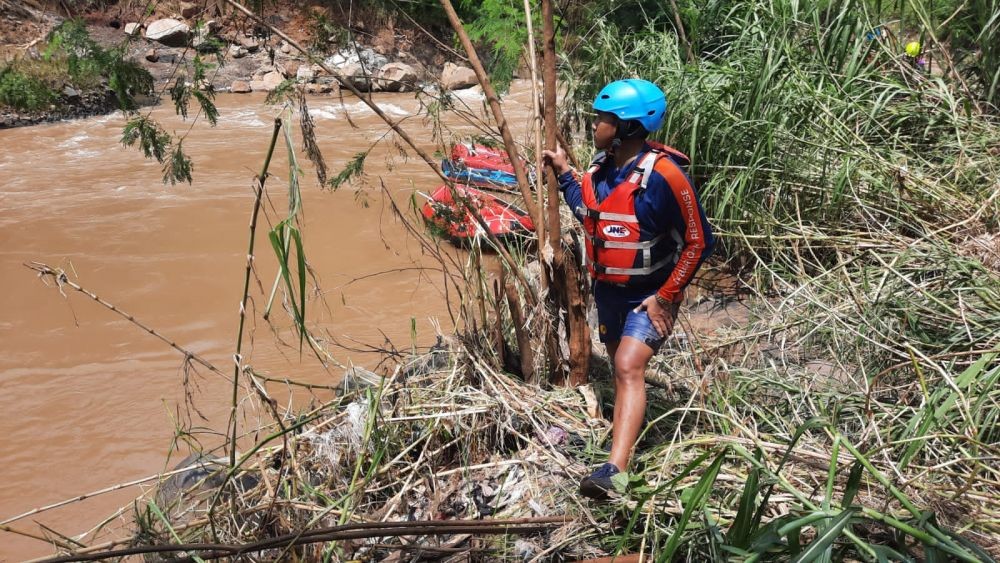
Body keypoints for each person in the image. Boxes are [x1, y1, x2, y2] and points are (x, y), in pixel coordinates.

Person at [543, 79, 715, 499]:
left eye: (602, 119)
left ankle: (615, 472)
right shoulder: (603, 169)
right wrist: (565, 172)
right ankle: (621, 443)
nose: (595, 125)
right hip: (609, 293)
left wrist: (668, 296)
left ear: (627, 127)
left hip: (650, 298)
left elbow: (699, 241)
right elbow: (587, 208)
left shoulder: (666, 176)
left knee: (627, 366)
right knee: (622, 370)